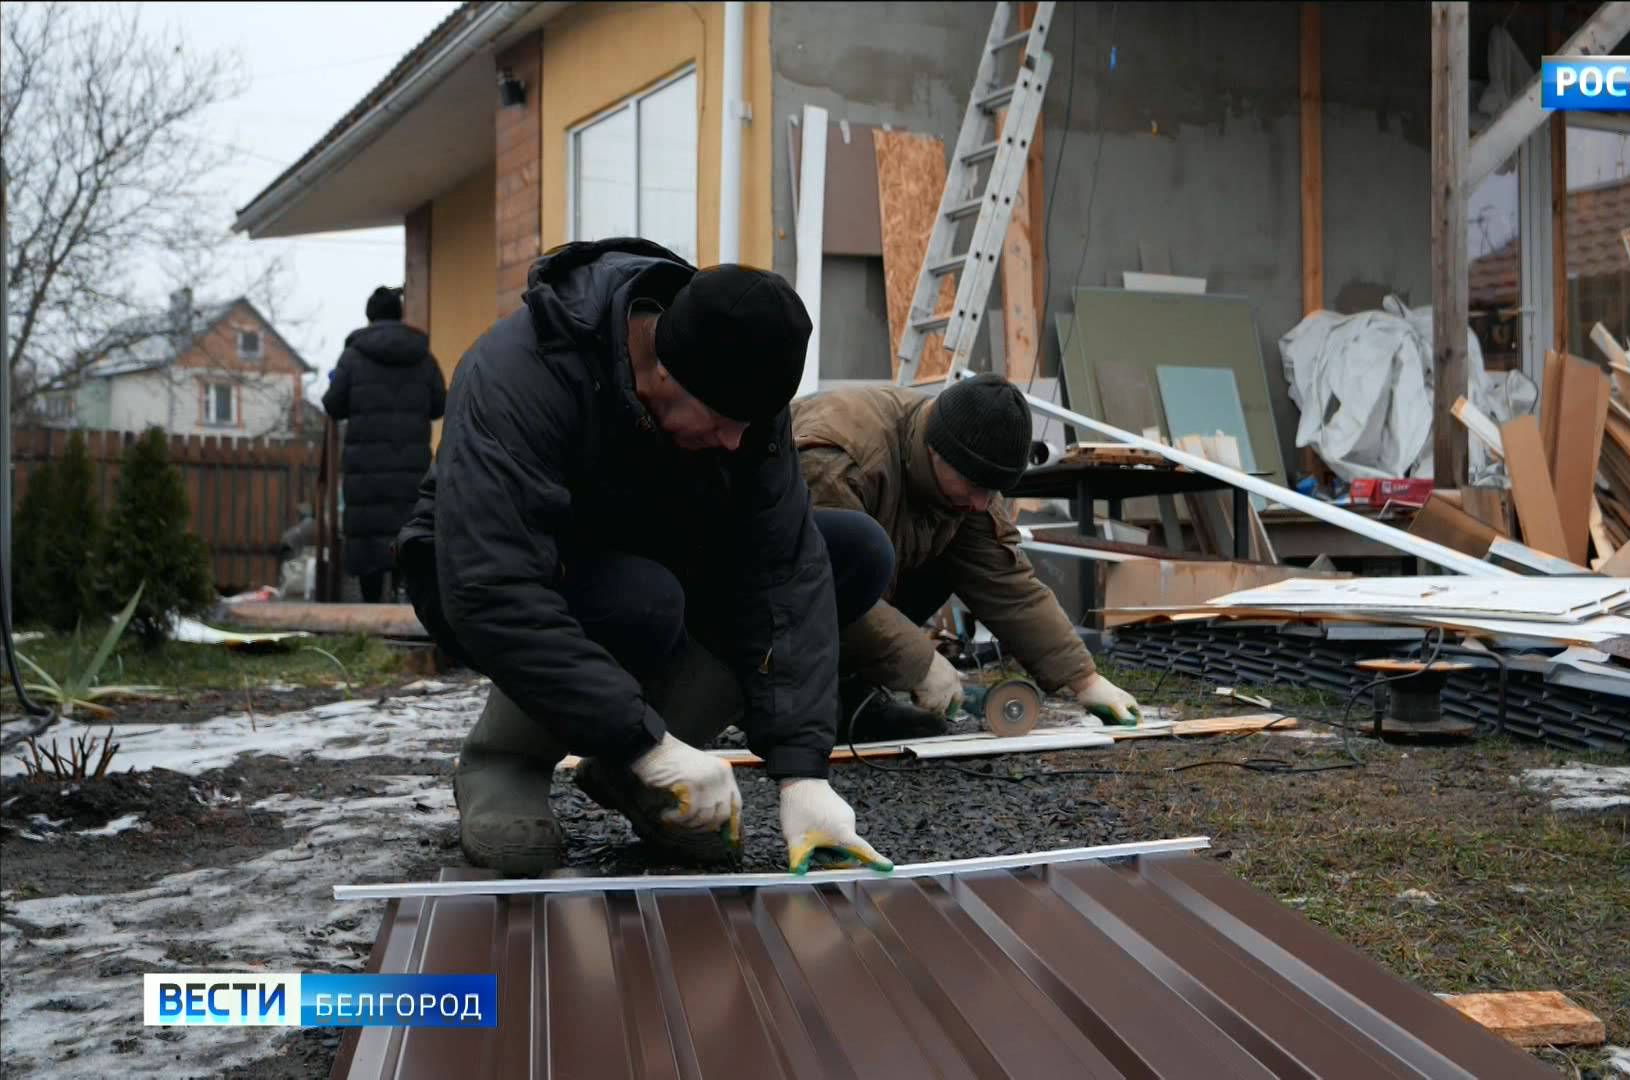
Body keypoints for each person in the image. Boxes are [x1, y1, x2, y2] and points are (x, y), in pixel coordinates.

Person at [397, 237, 894, 878]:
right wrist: (644, 741)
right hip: (484, 564)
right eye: (721, 420)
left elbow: (782, 569)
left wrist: (803, 773)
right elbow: (494, 585)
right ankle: (506, 759)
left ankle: (636, 775)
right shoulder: (521, 373)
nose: (736, 441)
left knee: (849, 551)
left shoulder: (737, 384)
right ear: (660, 369)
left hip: (642, 544)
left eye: (751, 423)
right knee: (643, 601)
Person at [793, 375, 1142, 738]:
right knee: (857, 553)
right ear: (937, 451)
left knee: (950, 559)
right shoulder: (838, 461)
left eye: (991, 491)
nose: (980, 503)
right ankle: (784, 696)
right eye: (975, 487)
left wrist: (1084, 680)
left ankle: (849, 692)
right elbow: (814, 579)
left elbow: (1005, 582)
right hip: (761, 600)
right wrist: (919, 661)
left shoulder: (966, 482)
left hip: (832, 594)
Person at [322, 286, 446, 603]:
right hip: (410, 470)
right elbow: (438, 405)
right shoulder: (423, 356)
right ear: (399, 315)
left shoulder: (352, 357)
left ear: (369, 317)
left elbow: (333, 406)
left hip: (365, 473)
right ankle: (404, 602)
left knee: (368, 543)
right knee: (407, 532)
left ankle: (372, 617)